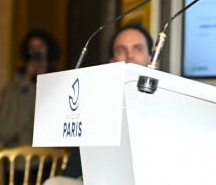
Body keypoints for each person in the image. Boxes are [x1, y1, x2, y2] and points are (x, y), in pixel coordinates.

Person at [43, 22, 153, 185]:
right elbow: (74, 170)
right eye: (121, 50)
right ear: (111, 61)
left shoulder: (168, 101)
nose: (129, 56)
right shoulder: (97, 104)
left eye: (137, 49)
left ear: (151, 58)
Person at [0, 29, 60, 185]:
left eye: (41, 46)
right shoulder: (16, 84)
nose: (36, 51)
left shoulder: (58, 82)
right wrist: (25, 81)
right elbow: (4, 127)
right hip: (17, 158)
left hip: (47, 157)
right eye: (32, 47)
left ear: (48, 49)